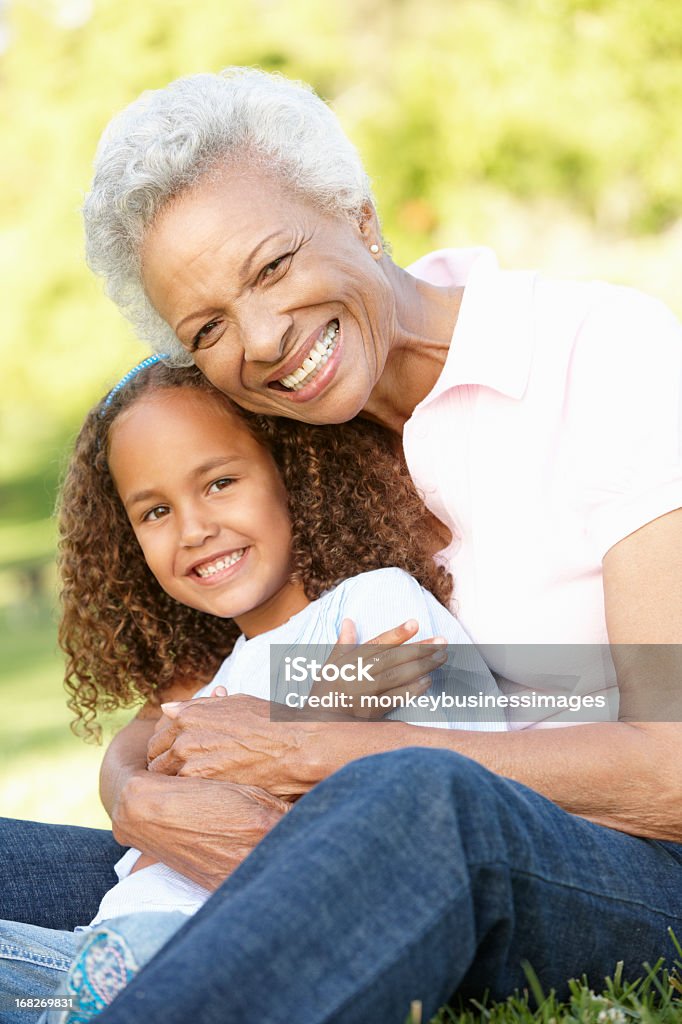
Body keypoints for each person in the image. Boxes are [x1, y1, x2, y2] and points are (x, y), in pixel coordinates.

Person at [1, 67, 680, 1022]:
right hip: (337, 837)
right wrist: (132, 794)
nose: (266, 338)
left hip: (609, 866)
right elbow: (232, 689)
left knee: (417, 794)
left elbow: (674, 769)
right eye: (210, 327)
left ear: (359, 215)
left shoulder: (603, 357)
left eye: (272, 265)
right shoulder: (290, 429)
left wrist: (313, 755)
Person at [0, 358, 505, 1021]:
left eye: (220, 482)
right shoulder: (222, 674)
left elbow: (451, 794)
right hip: (100, 954)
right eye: (155, 511)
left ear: (291, 475)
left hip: (200, 955)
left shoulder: (373, 604)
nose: (193, 529)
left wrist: (309, 720)